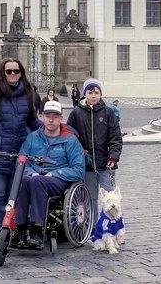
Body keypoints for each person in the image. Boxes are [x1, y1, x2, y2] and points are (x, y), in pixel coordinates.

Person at [0, 58, 43, 232]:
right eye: (9, 71)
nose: (13, 74)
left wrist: (52, 128)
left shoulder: (28, 94)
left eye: (16, 71)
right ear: (2, 73)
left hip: (19, 153)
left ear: (21, 73)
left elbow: (32, 121)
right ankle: (1, 230)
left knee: (16, 194)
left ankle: (13, 226)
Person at [14, 100, 85, 247]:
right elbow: (21, 161)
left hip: (58, 180)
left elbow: (78, 170)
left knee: (36, 181)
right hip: (35, 176)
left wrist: (55, 174)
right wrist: (32, 172)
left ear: (61, 119)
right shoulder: (33, 138)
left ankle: (37, 229)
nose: (51, 119)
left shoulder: (70, 141)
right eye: (47, 116)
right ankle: (19, 229)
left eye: (55, 116)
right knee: (23, 180)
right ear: (42, 117)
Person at [66, 78, 122, 219]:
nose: (94, 95)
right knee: (90, 197)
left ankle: (112, 227)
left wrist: (113, 157)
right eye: (90, 92)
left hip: (106, 163)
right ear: (85, 94)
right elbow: (70, 137)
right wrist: (80, 152)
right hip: (87, 165)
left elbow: (115, 138)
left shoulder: (108, 113)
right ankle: (92, 229)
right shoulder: (76, 114)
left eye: (97, 92)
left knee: (110, 199)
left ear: (100, 94)